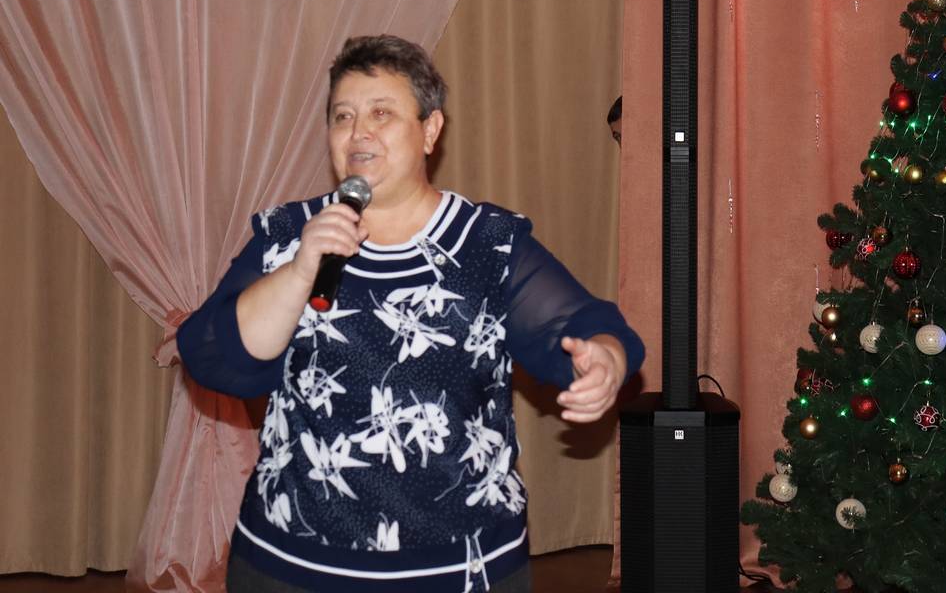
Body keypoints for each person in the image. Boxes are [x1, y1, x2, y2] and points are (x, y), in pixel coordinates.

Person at [178, 35, 644, 593]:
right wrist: (299, 271)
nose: (358, 132)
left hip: (459, 569)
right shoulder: (288, 236)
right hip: (290, 566)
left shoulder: (486, 244)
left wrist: (606, 359)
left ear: (430, 130)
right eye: (342, 116)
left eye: (381, 113)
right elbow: (212, 355)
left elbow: (581, 326)